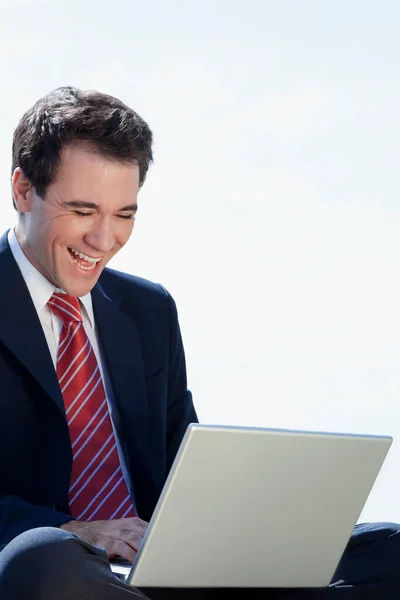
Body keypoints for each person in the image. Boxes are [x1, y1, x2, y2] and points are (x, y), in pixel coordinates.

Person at [0, 86, 399, 600]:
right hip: (61, 573)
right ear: (23, 190)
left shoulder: (149, 311)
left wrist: (239, 528)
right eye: (82, 211)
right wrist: (80, 532)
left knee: (389, 549)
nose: (104, 240)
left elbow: (177, 465)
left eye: (125, 214)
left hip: (156, 571)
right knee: (42, 561)